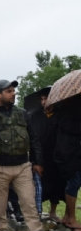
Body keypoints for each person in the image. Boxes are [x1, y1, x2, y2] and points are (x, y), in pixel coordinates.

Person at [0, 80, 48, 231]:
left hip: (22, 167)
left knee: (29, 204)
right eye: (9, 91)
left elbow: (33, 139)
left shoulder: (23, 114)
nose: (13, 94)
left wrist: (38, 162)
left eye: (13, 91)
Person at [30, 88, 65, 222]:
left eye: (47, 99)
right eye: (42, 99)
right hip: (40, 156)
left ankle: (53, 211)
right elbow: (33, 138)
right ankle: (37, 211)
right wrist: (34, 160)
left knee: (56, 183)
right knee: (38, 185)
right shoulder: (34, 116)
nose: (44, 102)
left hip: (56, 156)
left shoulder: (61, 116)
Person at [54, 96, 81, 231]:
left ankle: (67, 216)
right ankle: (71, 218)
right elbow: (71, 129)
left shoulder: (67, 105)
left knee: (74, 182)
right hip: (71, 152)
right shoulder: (72, 107)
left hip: (69, 151)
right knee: (74, 182)